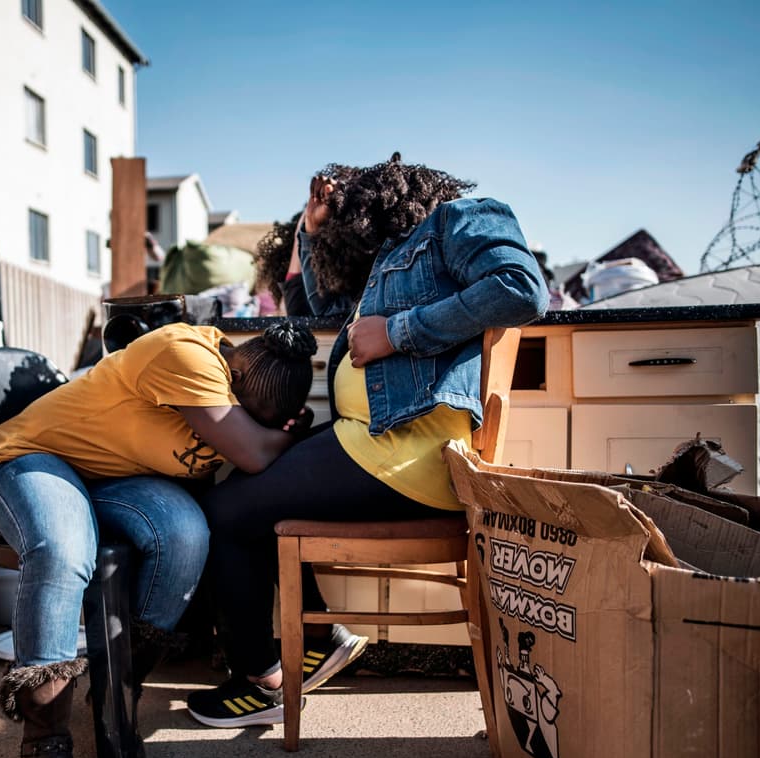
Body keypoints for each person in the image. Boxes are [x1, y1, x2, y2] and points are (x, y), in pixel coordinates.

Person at [186, 154, 548, 728]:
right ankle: (319, 636)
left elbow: (522, 289)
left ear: (378, 200)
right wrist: (308, 232)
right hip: (374, 444)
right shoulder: (385, 266)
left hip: (410, 450)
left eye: (344, 217)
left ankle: (262, 678)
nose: (341, 233)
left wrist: (398, 332)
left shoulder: (457, 218)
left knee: (225, 512)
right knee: (246, 485)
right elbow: (312, 312)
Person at [0, 319, 317, 758]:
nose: (238, 428)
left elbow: (252, 449)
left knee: (187, 537)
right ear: (232, 374)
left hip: (117, 479)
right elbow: (253, 453)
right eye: (239, 417)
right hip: (37, 457)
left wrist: (268, 436)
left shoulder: (238, 400)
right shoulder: (186, 353)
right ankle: (45, 743)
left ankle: (117, 695)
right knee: (65, 548)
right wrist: (273, 439)